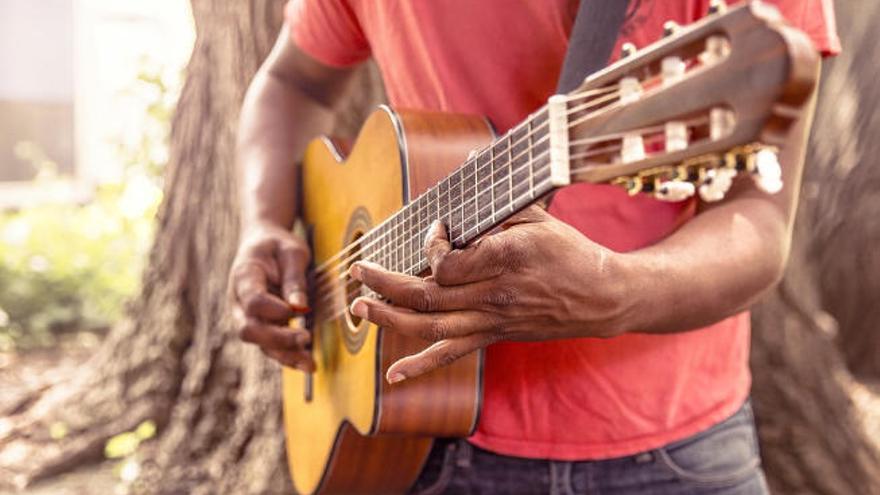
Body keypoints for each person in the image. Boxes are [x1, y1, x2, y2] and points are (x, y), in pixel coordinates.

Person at [229, 1, 840, 493]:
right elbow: (292, 84)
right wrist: (264, 224)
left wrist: (616, 291)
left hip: (674, 451)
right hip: (415, 436)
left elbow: (757, 220)